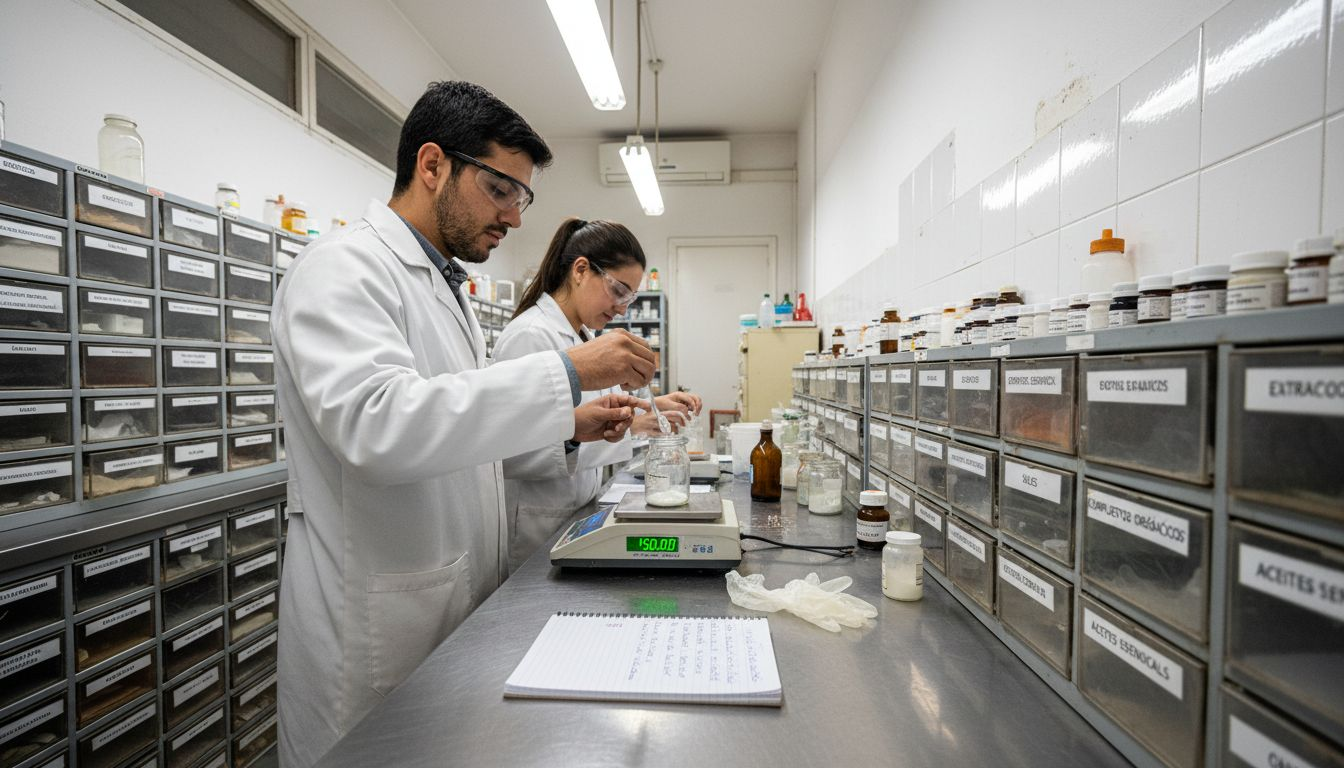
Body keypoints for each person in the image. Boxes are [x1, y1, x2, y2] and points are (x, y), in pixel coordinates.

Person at [271, 82, 658, 768]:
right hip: (375, 625)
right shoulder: (342, 270)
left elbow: (464, 429)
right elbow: (377, 426)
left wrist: (570, 420)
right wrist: (571, 371)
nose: (513, 218)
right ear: (432, 165)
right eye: (501, 189)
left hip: (452, 603)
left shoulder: (437, 283)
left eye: (522, 198)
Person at [494, 218, 703, 570]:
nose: (623, 308)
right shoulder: (531, 335)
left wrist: (646, 410)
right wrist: (636, 426)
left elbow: (597, 415)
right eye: (619, 291)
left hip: (577, 511)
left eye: (630, 298)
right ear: (580, 270)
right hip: (537, 524)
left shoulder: (582, 338)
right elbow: (510, 452)